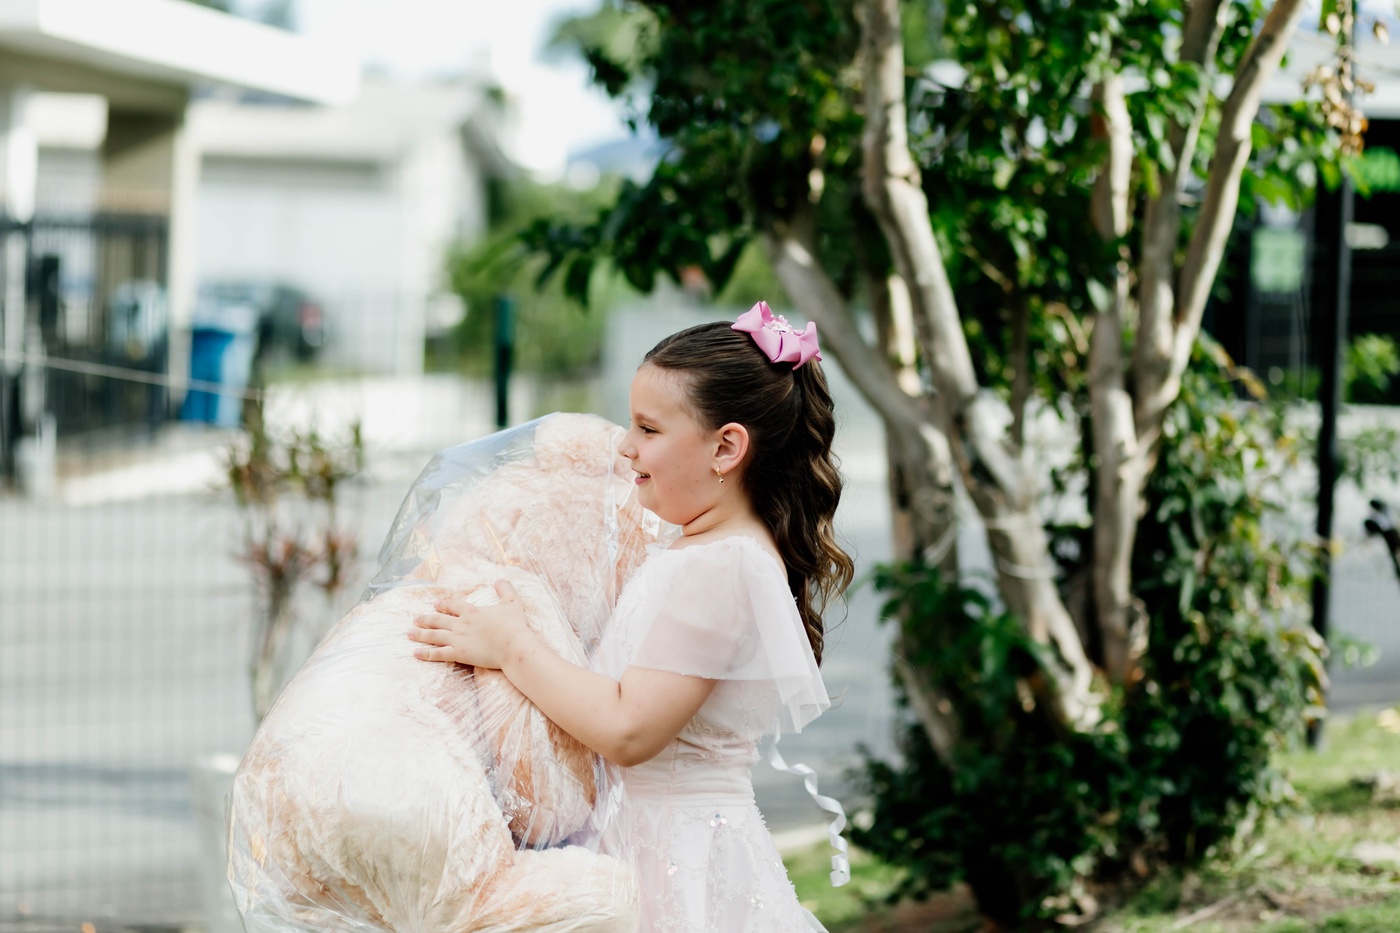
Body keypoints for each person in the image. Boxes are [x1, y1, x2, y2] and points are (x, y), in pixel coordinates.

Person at [408, 301, 854, 932]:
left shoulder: (723, 567)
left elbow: (628, 730)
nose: (625, 445)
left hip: (673, 865)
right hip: (645, 841)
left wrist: (513, 647)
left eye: (648, 429)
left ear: (726, 447)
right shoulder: (702, 550)